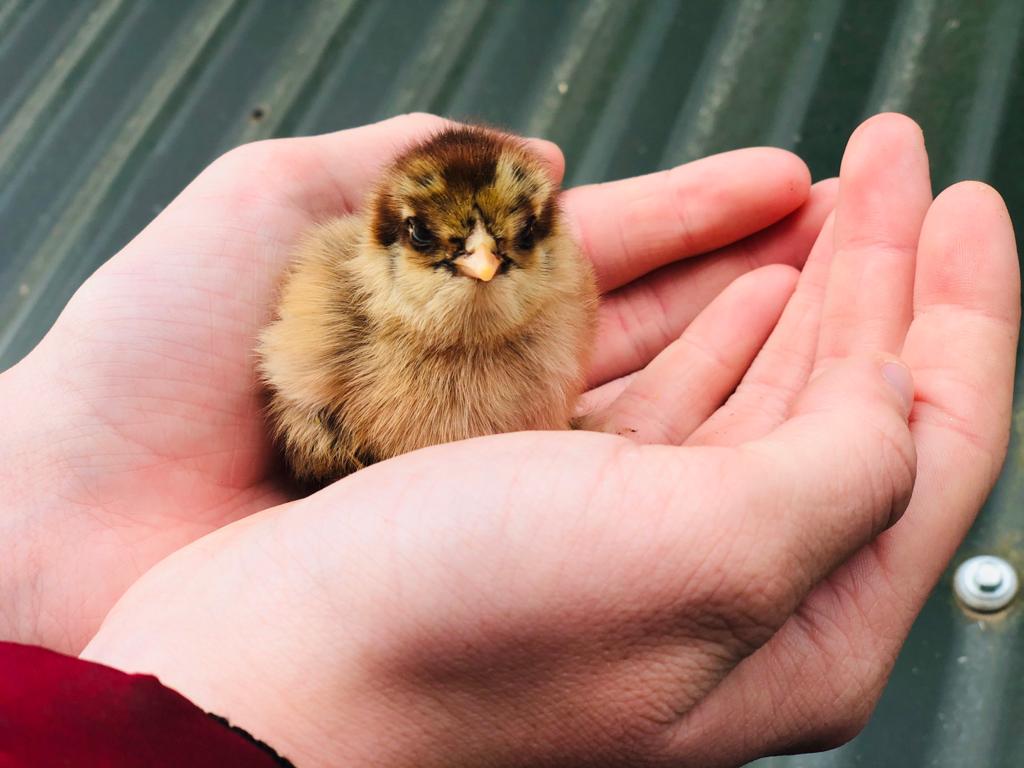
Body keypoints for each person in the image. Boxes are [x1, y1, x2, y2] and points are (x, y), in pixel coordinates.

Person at [0, 112, 1017, 767]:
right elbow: (302, 395)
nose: (485, 266)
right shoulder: (344, 322)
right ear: (393, 244)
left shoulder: (560, 290)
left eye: (516, 243)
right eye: (443, 249)